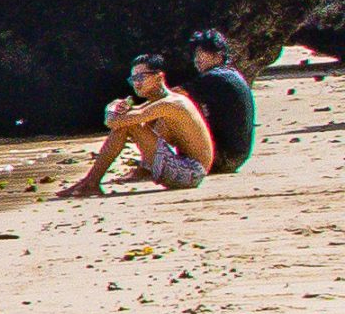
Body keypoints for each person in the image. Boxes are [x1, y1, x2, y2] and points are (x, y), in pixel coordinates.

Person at [61, 54, 215, 196]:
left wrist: (111, 109)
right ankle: (91, 181)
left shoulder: (171, 103)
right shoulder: (159, 103)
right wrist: (117, 108)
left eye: (141, 77)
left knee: (128, 125)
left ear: (159, 77)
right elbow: (131, 115)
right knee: (129, 124)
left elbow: (114, 121)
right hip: (189, 170)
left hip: (191, 173)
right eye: (133, 79)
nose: (136, 83)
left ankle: (91, 182)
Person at [182, 30, 257, 172]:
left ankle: (149, 164)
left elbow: (174, 96)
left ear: (219, 55)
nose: (197, 59)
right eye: (195, 54)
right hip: (237, 157)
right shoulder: (231, 74)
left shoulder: (214, 78)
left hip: (223, 158)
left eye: (202, 53)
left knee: (171, 109)